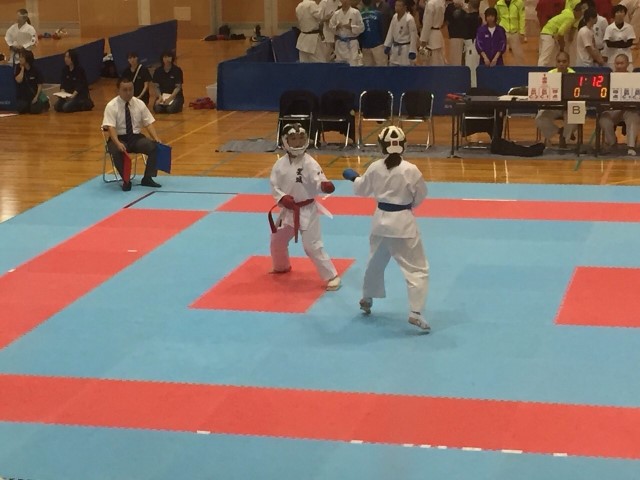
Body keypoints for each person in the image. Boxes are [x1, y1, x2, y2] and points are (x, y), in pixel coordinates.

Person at [342, 126, 430, 332]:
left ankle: (366, 298)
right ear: (404, 145)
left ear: (381, 146)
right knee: (417, 268)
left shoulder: (375, 167)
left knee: (375, 261)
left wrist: (354, 178)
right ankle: (415, 312)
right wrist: (406, 205)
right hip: (403, 223)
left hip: (380, 221)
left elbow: (362, 189)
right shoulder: (411, 169)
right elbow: (420, 195)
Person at [269, 123, 341, 291]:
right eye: (293, 139)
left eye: (301, 138)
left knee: (312, 246)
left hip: (308, 210)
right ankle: (281, 266)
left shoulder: (310, 163)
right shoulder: (279, 164)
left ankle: (332, 276)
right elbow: (274, 185)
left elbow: (318, 180)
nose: (298, 142)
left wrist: (324, 186)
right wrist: (282, 197)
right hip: (288, 210)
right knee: (277, 240)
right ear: (285, 141)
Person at [102, 77, 164, 191]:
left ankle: (148, 178)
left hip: (136, 138)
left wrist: (156, 138)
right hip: (118, 138)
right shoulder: (111, 106)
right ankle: (126, 180)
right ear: (118, 91)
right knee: (116, 150)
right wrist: (117, 143)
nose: (128, 92)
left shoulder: (139, 103)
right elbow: (111, 127)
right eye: (125, 90)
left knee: (154, 147)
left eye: (131, 89)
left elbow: (148, 123)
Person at [599, 54, 640, 155]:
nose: (619, 66)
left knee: (633, 117)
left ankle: (631, 147)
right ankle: (612, 143)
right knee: (604, 119)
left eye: (622, 63)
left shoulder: (634, 78)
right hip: (613, 110)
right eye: (617, 63)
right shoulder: (609, 77)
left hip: (629, 110)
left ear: (627, 64)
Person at [535, 51, 577, 148]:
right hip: (553, 106)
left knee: (575, 118)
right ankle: (560, 131)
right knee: (540, 118)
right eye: (559, 61)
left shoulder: (573, 75)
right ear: (556, 62)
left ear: (568, 63)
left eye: (564, 61)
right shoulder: (549, 74)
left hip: (568, 107)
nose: (561, 64)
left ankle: (564, 139)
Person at [330, 0, 365, 65]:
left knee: (353, 64)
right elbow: (331, 26)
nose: (345, 2)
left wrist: (351, 27)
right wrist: (337, 27)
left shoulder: (356, 12)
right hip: (340, 43)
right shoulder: (336, 13)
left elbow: (362, 28)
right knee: (340, 65)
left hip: (352, 43)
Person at [383, 0, 419, 65]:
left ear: (405, 7)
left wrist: (412, 50)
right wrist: (388, 45)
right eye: (396, 6)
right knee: (393, 65)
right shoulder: (394, 17)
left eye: (399, 6)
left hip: (405, 48)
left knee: (405, 67)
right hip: (395, 47)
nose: (397, 8)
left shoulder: (409, 19)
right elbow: (390, 31)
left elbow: (413, 35)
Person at [14, 50, 48, 114]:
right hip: (23, 97)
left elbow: (39, 85)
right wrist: (22, 69)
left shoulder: (35, 70)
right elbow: (19, 80)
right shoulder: (18, 68)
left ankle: (45, 102)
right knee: (21, 109)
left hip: (34, 95)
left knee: (34, 110)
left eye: (22, 57)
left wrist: (36, 97)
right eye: (19, 57)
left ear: (27, 59)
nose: (20, 59)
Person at [604, 4, 636, 71]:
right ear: (614, 14)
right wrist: (621, 42)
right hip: (612, 58)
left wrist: (616, 43)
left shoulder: (629, 27)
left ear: (624, 14)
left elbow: (629, 43)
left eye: (622, 12)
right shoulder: (609, 28)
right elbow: (608, 44)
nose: (620, 14)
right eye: (618, 12)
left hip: (627, 57)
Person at [494, 0, 525, 65]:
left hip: (514, 32)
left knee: (519, 55)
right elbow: (497, 18)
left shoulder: (519, 3)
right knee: (501, 53)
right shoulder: (499, 4)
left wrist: (522, 32)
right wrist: (496, 31)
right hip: (503, 32)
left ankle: (521, 69)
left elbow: (522, 17)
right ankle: (502, 69)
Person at [360, 0, 388, 65]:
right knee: (380, 67)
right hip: (373, 45)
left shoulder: (360, 15)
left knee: (370, 69)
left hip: (372, 45)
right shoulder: (378, 14)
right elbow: (383, 29)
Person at [420, 0, 446, 65]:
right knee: (439, 61)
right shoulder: (441, 2)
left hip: (431, 36)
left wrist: (423, 39)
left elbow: (427, 23)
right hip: (438, 34)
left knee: (431, 62)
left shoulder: (431, 4)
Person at [463, 0, 483, 85]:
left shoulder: (467, 18)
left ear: (470, 5)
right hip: (474, 44)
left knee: (471, 68)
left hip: (471, 45)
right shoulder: (479, 18)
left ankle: (473, 88)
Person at [445, 0, 467, 65]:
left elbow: (446, 22)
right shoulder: (450, 8)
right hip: (456, 36)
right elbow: (446, 22)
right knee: (456, 61)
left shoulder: (467, 8)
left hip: (464, 37)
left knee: (459, 60)